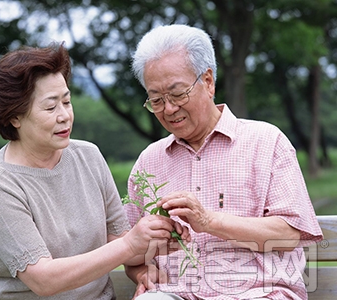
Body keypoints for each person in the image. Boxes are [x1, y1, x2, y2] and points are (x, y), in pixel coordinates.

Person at [0, 42, 189, 299]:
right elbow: (44, 280)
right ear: (14, 117)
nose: (65, 115)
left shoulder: (88, 156)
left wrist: (161, 236)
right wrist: (129, 244)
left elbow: (118, 240)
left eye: (67, 101)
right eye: (51, 107)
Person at [123, 24, 323, 300]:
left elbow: (290, 234)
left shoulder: (266, 141)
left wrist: (209, 221)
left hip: (257, 293)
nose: (168, 109)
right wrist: (142, 272)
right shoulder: (150, 161)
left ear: (207, 82)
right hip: (177, 294)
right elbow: (131, 251)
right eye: (156, 100)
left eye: (178, 94)